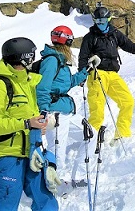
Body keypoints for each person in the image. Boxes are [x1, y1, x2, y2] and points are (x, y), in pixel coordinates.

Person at [0, 37, 59, 211]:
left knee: (46, 200)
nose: (33, 60)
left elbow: (34, 113)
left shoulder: (27, 81)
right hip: (7, 157)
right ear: (23, 59)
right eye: (31, 56)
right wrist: (26, 123)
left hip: (33, 153)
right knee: (5, 204)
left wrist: (41, 125)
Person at [78, 5, 135, 142]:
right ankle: (92, 141)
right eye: (98, 22)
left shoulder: (114, 34)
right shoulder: (90, 37)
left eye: (103, 21)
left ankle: (122, 134)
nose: (100, 25)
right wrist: (82, 75)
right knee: (97, 107)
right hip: (97, 73)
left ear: (108, 20)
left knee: (127, 102)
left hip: (113, 74)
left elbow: (130, 46)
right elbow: (82, 57)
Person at [35, 25, 96, 187]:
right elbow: (42, 88)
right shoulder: (51, 61)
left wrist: (87, 70)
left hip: (65, 111)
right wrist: (44, 112)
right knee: (57, 152)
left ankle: (78, 177)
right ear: (66, 43)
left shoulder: (60, 61)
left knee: (91, 135)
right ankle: (53, 186)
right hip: (54, 113)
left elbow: (67, 84)